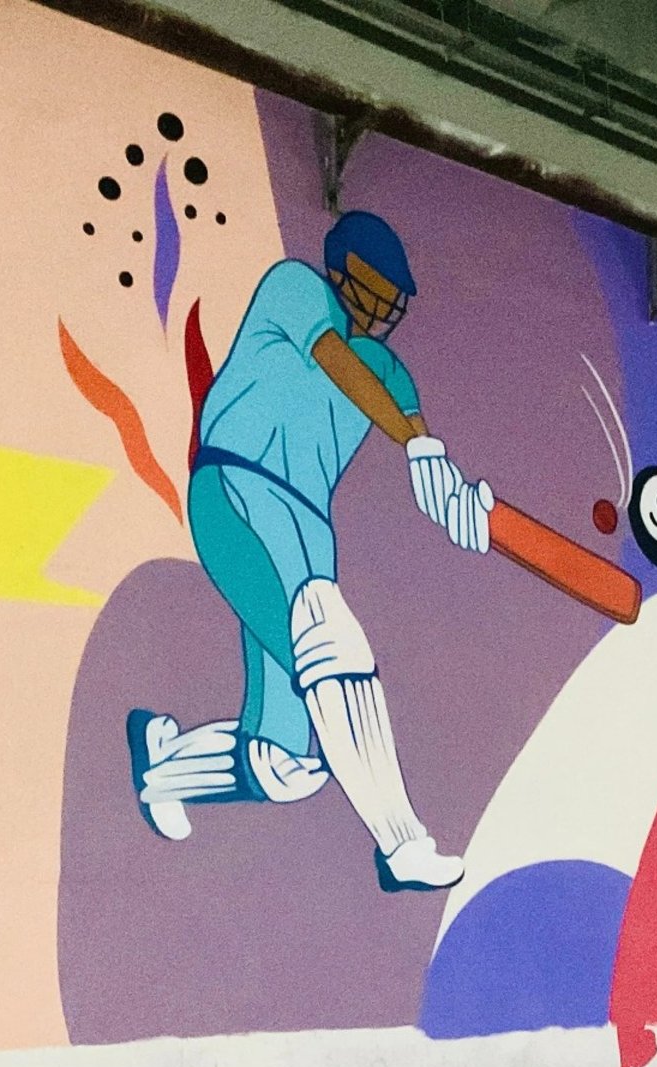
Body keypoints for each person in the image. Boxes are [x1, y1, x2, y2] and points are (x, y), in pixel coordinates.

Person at [127, 210, 489, 892]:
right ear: (345, 270)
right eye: (380, 287)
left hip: (308, 540)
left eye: (394, 297)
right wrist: (415, 445)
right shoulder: (295, 289)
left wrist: (454, 495)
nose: (386, 308)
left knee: (285, 766)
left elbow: (410, 422)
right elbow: (338, 363)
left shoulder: (389, 368)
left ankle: (163, 765)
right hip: (236, 491)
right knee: (330, 638)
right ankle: (401, 845)